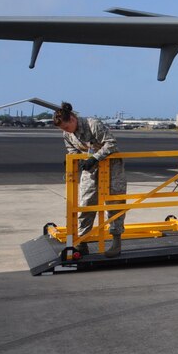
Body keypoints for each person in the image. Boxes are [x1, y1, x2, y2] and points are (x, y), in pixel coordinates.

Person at [53, 102, 126, 257]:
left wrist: (95, 157)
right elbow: (72, 149)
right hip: (90, 169)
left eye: (66, 127)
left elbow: (111, 143)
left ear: (72, 119)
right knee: (85, 204)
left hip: (112, 167)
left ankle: (116, 243)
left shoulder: (93, 125)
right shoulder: (67, 134)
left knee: (115, 204)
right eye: (63, 129)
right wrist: (72, 158)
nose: (65, 131)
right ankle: (82, 242)